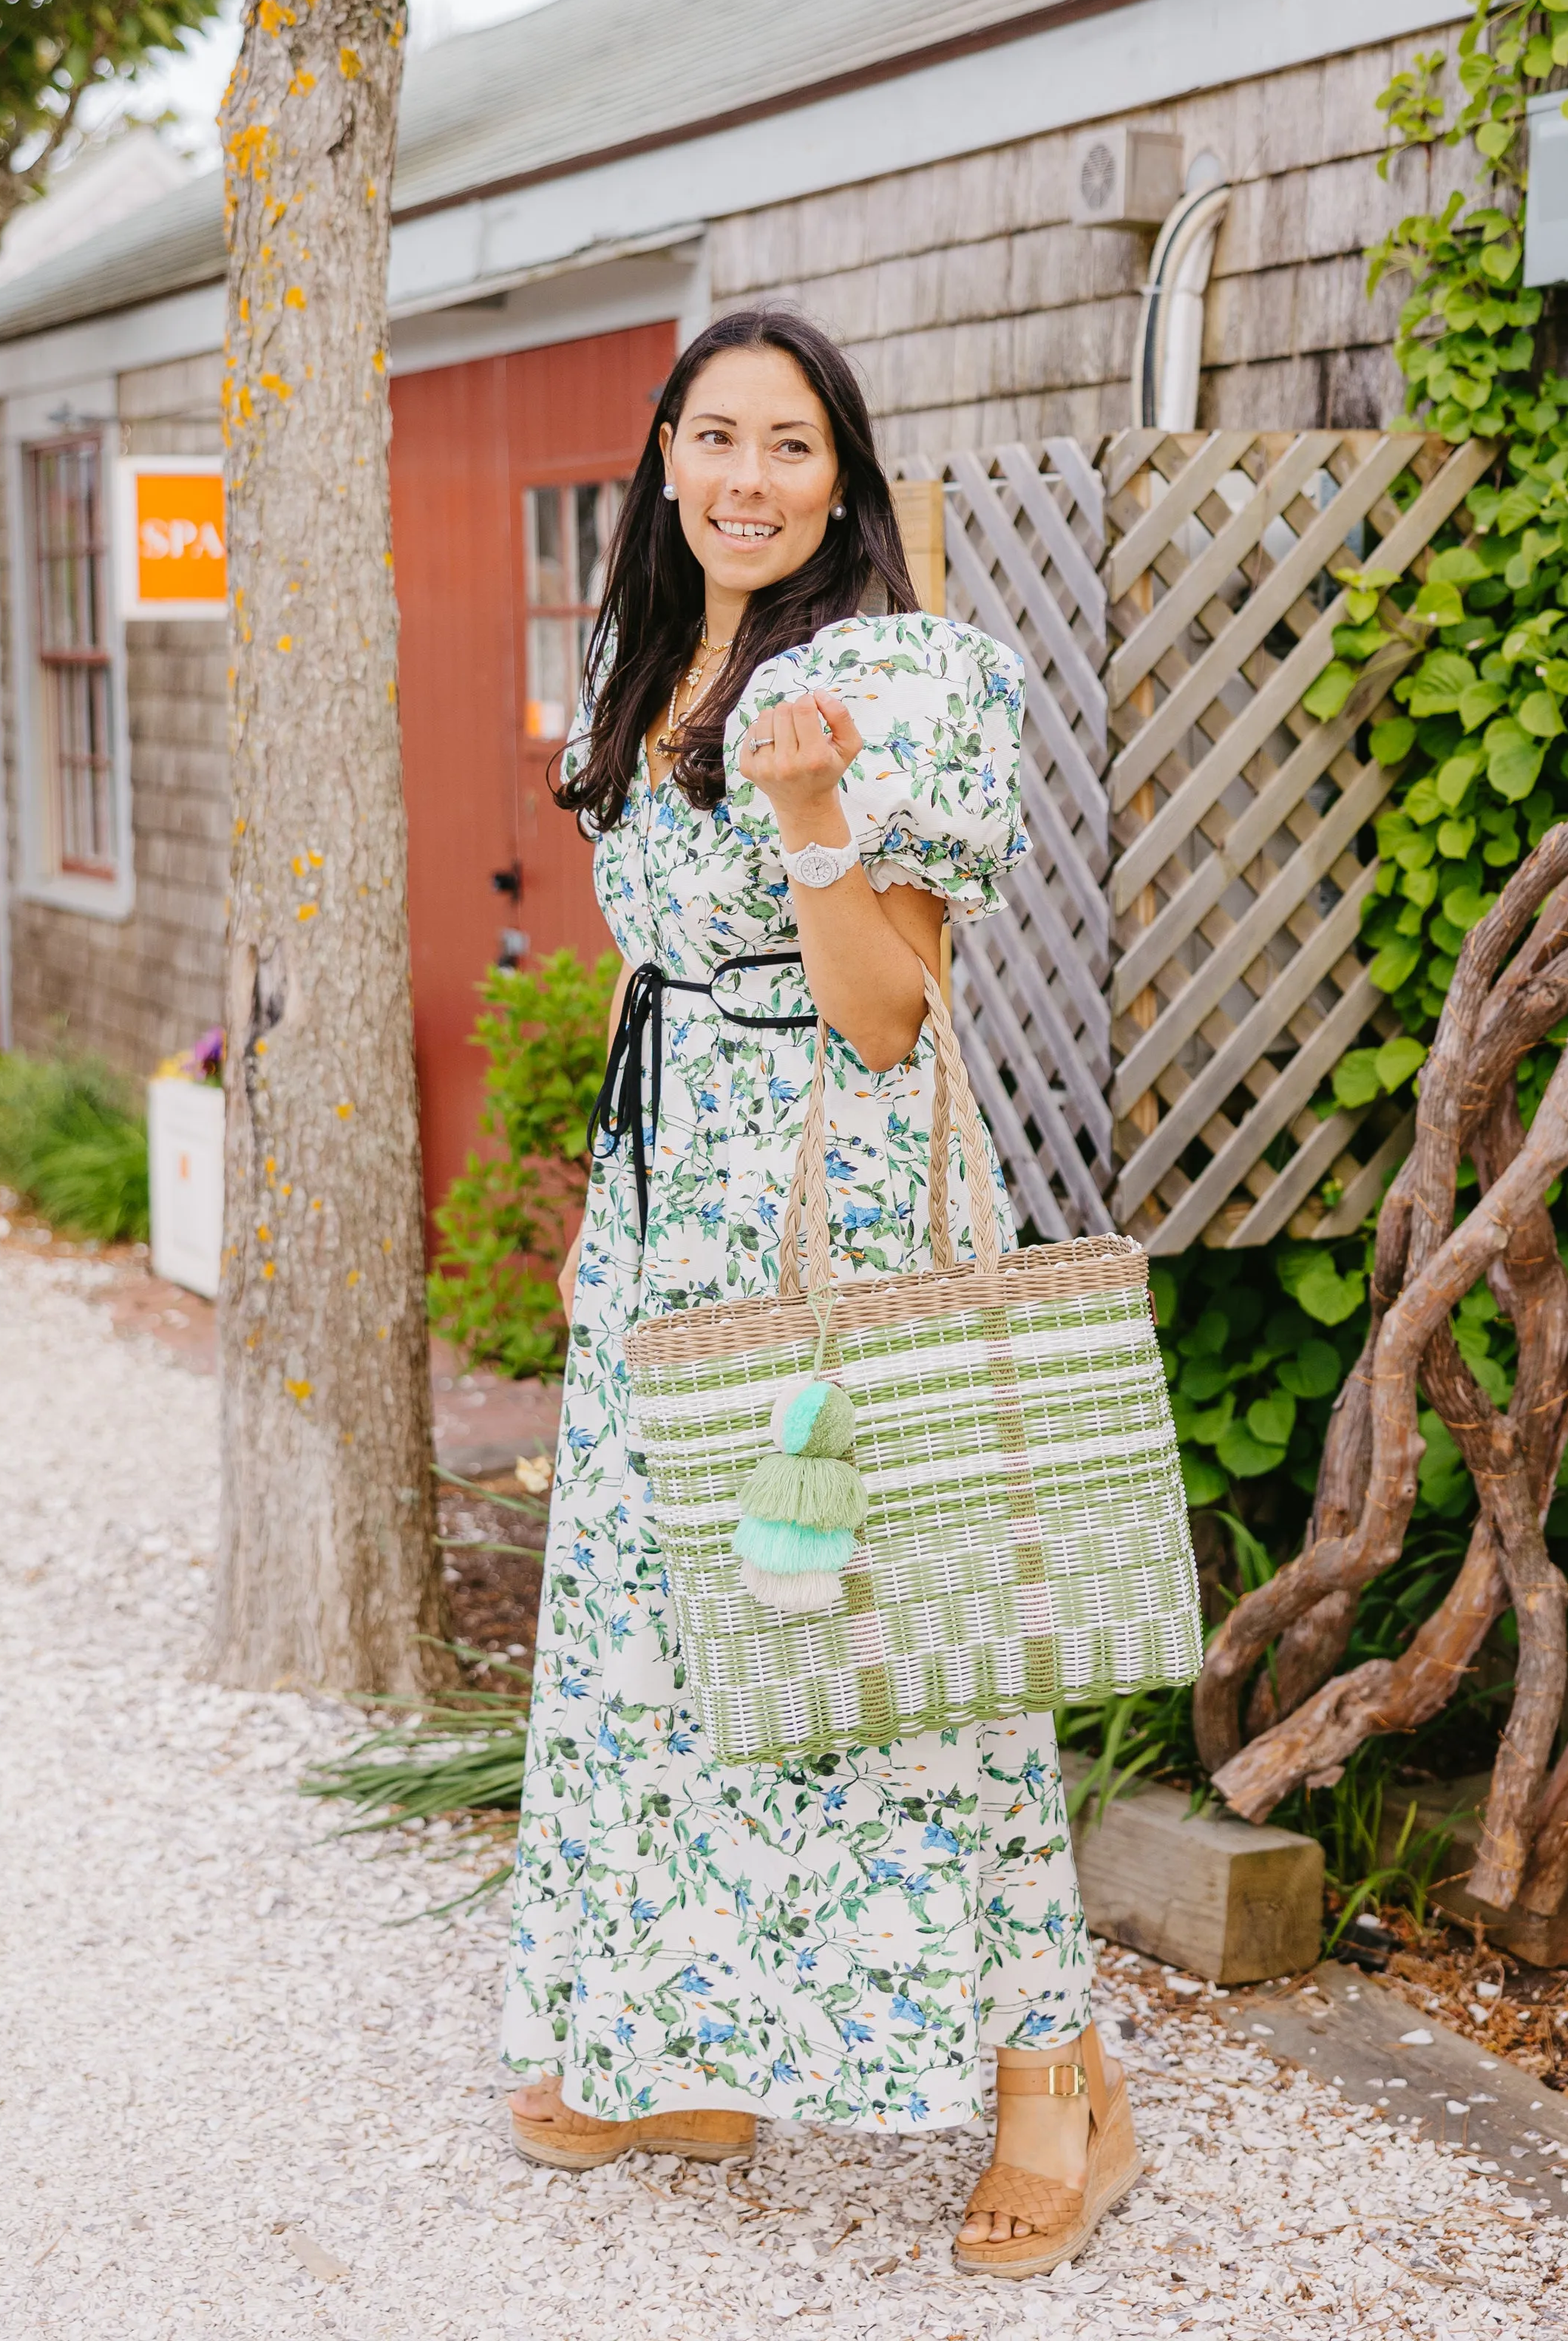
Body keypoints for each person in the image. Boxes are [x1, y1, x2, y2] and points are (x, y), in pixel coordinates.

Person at [499, 307, 1140, 2276]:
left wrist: (804, 813)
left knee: (910, 1647)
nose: (745, 478)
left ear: (844, 474)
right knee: (667, 1623)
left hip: (840, 1206)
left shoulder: (909, 675)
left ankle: (1059, 2083)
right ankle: (694, 2032)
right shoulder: (644, 651)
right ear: (665, 457)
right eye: (712, 438)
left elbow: (883, 1011)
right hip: (672, 1198)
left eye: (789, 445)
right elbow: (648, 964)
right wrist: (619, 1213)